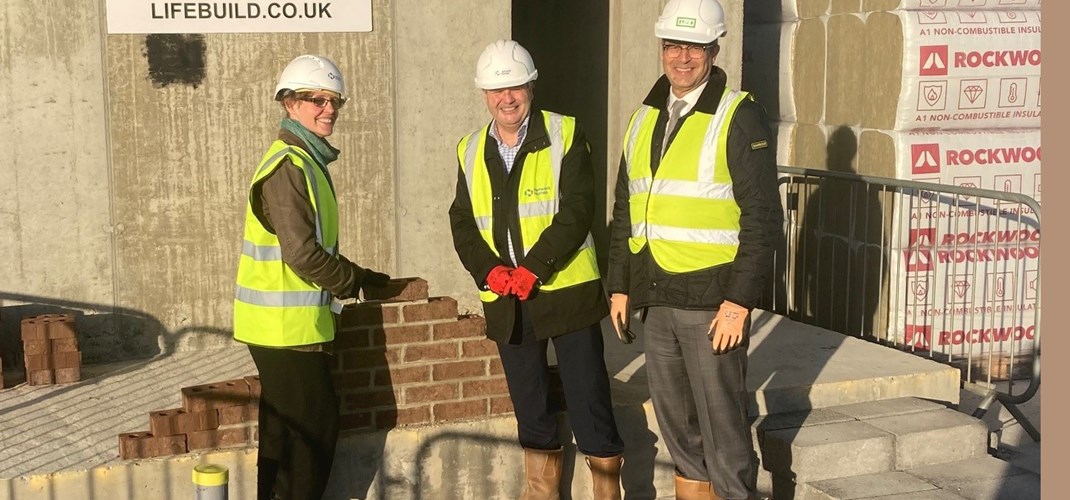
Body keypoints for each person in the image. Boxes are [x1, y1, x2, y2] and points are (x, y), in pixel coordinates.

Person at [606, 1, 783, 498]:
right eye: (673, 46)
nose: (683, 58)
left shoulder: (738, 115)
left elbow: (762, 218)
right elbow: (627, 209)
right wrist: (619, 284)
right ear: (662, 49)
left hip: (711, 302)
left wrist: (739, 302)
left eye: (695, 48)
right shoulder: (643, 117)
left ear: (714, 50)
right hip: (657, 297)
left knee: (724, 430)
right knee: (678, 427)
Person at [449, 40, 626, 500]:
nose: (506, 98)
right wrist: (489, 271)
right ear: (484, 94)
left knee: (589, 402)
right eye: (496, 90)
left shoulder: (565, 133)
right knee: (530, 407)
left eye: (515, 87)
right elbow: (462, 222)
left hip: (566, 294)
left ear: (531, 86)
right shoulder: (469, 149)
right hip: (508, 301)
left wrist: (534, 267)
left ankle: (607, 493)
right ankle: (541, 493)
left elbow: (578, 209)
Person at [232, 54, 391, 500]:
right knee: (313, 438)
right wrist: (353, 281)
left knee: (284, 438)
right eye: (317, 100)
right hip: (284, 331)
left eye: (334, 100)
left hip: (288, 328)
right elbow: (301, 252)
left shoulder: (306, 162)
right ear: (288, 104)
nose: (329, 109)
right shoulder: (289, 167)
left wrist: (354, 275)